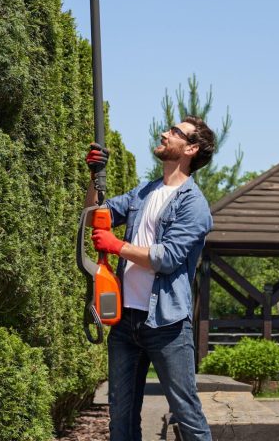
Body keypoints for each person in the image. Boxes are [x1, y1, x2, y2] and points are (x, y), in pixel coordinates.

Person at [85, 116, 215, 441]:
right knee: (121, 417)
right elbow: (94, 217)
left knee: (186, 414)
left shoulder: (194, 204)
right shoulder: (144, 192)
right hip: (125, 322)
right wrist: (94, 175)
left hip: (167, 325)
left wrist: (116, 245)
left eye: (175, 132)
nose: (164, 133)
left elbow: (167, 258)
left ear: (191, 148)